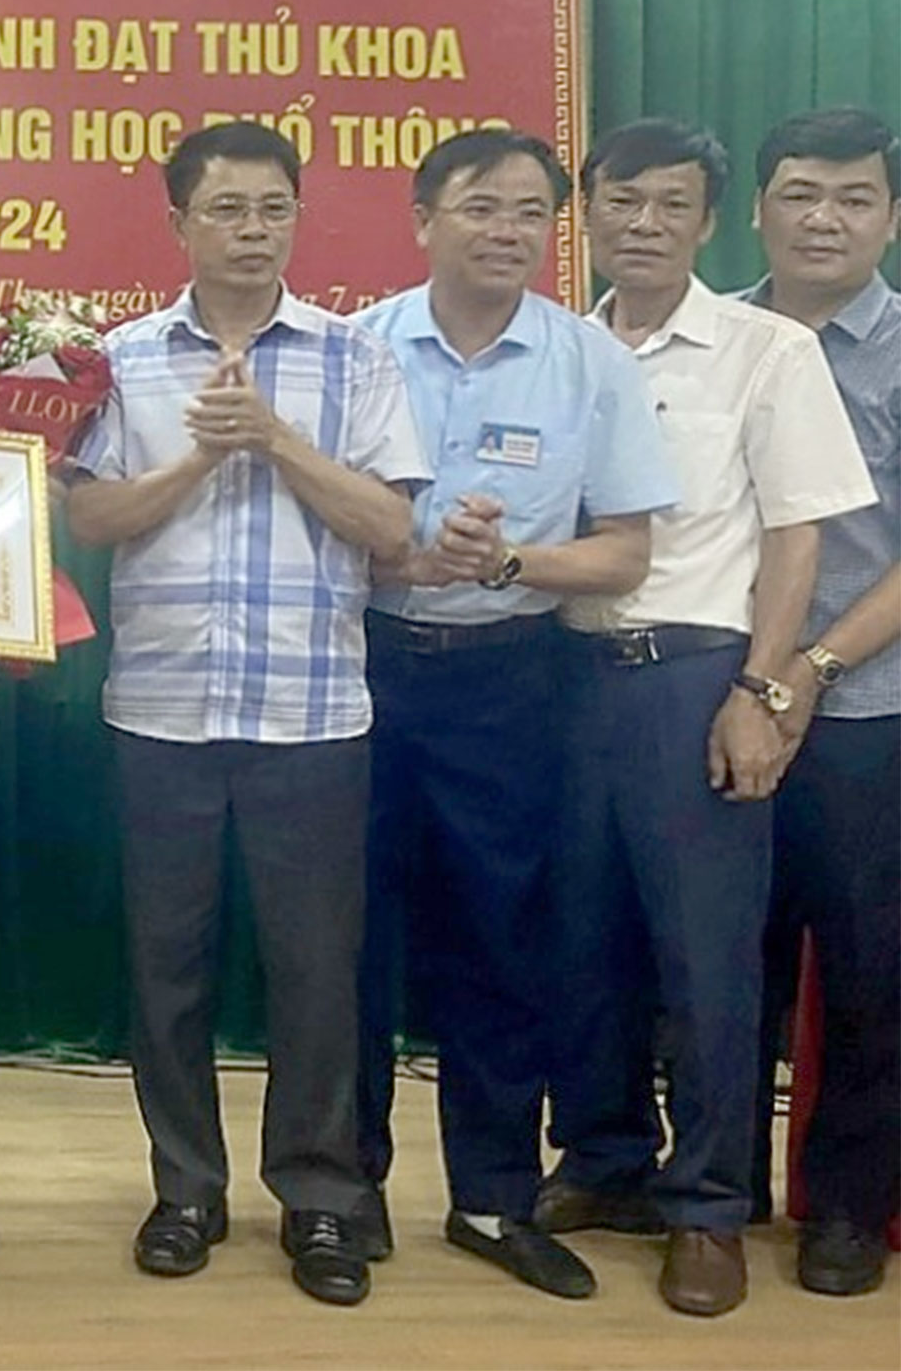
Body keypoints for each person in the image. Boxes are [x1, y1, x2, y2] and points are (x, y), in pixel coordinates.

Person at [63, 121, 426, 1307]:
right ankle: (185, 1189)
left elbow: (391, 527)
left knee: (316, 970)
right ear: (179, 223)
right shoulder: (122, 360)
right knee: (164, 967)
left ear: (297, 218)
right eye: (226, 209)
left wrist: (272, 438)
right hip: (162, 708)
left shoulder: (353, 357)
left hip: (310, 714)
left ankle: (320, 1198)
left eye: (273, 208)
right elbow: (90, 522)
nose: (252, 231)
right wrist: (196, 464)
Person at [536, 119, 873, 1317]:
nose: (644, 223)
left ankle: (711, 1205)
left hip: (694, 673)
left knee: (708, 956)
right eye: (622, 200)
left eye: (671, 204)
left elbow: (799, 536)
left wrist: (759, 691)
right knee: (584, 939)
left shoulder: (766, 350)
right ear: (588, 211)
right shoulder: (555, 349)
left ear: (710, 221)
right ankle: (607, 1160)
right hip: (565, 673)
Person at [350, 128, 676, 1299]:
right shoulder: (357, 348)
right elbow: (317, 515)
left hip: (511, 681)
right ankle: (340, 1193)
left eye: (533, 212)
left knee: (501, 940)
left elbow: (625, 552)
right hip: (363, 670)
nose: (509, 231)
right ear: (423, 218)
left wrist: (505, 562)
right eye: (482, 206)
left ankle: (492, 1197)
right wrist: (399, 549)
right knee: (349, 942)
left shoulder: (591, 363)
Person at [745, 105, 901, 1299]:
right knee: (717, 963)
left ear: (889, 218)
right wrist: (759, 678)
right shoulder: (718, 338)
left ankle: (846, 1205)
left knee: (864, 969)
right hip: (722, 700)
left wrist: (813, 669)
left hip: (866, 708)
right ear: (760, 210)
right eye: (801, 193)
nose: (824, 219)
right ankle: (711, 1190)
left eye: (854, 198)